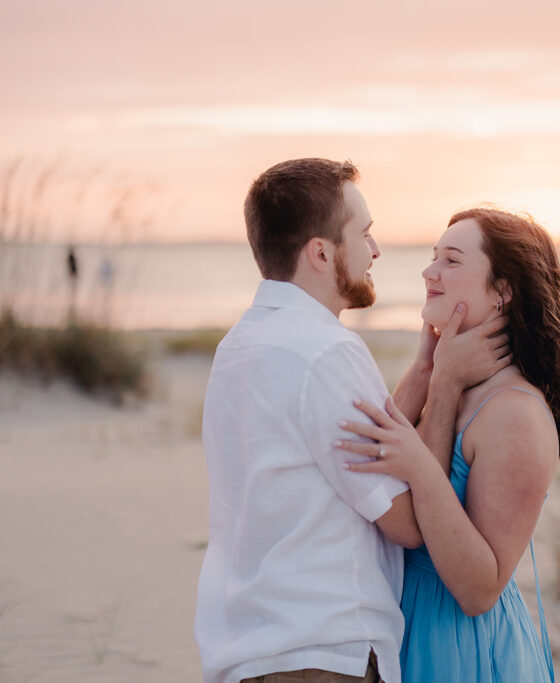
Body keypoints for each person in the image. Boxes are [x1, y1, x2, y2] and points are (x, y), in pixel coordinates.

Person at [194, 159, 509, 683]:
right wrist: (447, 386)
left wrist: (424, 373)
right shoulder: (327, 351)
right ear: (321, 253)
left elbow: (347, 443)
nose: (375, 250)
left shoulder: (240, 346)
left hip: (247, 649)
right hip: (322, 653)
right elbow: (408, 523)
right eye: (363, 234)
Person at [336, 207, 560, 682]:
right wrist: (431, 373)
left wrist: (441, 394)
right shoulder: (448, 380)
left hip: (458, 647)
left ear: (503, 290)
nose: (429, 272)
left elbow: (479, 591)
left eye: (451, 260)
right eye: (434, 257)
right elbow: (373, 466)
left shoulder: (514, 412)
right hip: (401, 627)